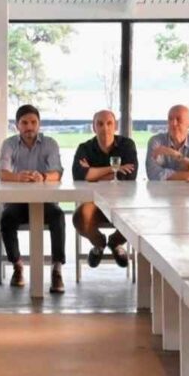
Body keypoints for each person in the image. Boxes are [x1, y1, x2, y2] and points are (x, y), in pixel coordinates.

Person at [0, 104, 66, 293]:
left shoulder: (50, 143)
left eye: (33, 122)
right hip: (18, 202)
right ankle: (18, 266)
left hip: (45, 202)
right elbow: (3, 172)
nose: (29, 127)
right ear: (17, 125)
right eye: (25, 123)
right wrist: (17, 177)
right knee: (6, 218)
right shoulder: (9, 144)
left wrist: (44, 177)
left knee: (58, 216)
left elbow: (57, 172)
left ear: (39, 124)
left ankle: (57, 269)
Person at [71, 109, 137, 268]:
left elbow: (128, 176)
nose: (105, 128)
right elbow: (80, 176)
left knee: (136, 220)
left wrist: (94, 174)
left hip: (122, 201)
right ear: (94, 127)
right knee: (80, 218)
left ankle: (115, 243)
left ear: (115, 126)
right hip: (94, 202)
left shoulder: (127, 145)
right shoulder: (84, 148)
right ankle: (99, 244)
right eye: (99, 124)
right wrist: (113, 169)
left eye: (109, 123)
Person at [145, 105, 189, 181]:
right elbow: (153, 174)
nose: (173, 123)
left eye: (179, 119)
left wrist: (176, 155)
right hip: (162, 192)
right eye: (170, 119)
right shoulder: (156, 141)